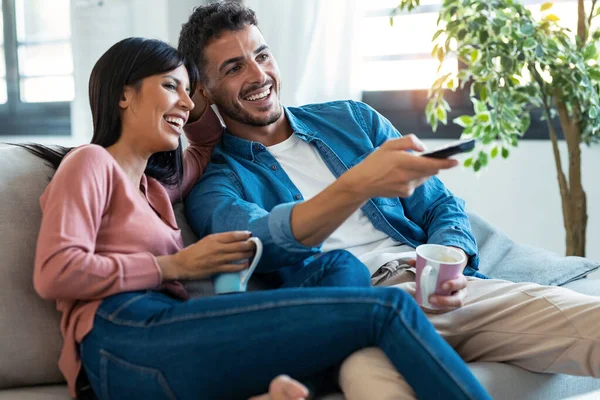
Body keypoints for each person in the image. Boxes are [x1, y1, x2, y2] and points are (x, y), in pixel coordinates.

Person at [18, 37, 490, 400]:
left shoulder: (160, 190)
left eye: (189, 91)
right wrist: (173, 267)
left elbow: (205, 138)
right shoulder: (91, 163)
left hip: (172, 343)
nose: (184, 103)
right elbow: (56, 272)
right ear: (123, 95)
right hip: (124, 338)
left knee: (340, 267)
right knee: (388, 310)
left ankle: (269, 385)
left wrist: (191, 93)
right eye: (168, 86)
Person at [178, 2, 600, 399]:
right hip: (357, 322)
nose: (258, 74)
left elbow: (440, 205)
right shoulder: (218, 184)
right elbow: (261, 245)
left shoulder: (353, 119)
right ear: (204, 91)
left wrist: (449, 260)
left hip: (434, 287)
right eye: (234, 68)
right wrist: (359, 184)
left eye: (262, 55)